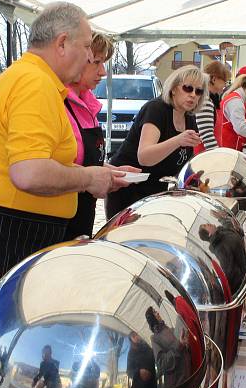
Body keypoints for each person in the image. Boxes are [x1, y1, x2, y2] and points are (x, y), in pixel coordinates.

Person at [0, 2, 129, 329]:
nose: (90, 57)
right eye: (86, 47)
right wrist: (87, 177)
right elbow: (28, 172)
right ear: (61, 43)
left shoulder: (25, 78)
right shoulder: (35, 84)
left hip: (5, 233)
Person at [63, 32, 138, 239]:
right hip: (59, 217)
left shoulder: (88, 104)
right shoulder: (57, 102)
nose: (103, 72)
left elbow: (85, 159)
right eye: (96, 62)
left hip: (83, 214)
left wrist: (113, 171)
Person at [105, 66, 206, 219]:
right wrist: (178, 140)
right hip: (129, 188)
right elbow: (144, 156)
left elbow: (184, 160)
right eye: (188, 88)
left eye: (198, 91)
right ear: (173, 88)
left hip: (156, 190)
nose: (193, 95)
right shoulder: (156, 109)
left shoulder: (189, 118)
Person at [194, 61, 231, 152]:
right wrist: (217, 156)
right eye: (224, 82)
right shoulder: (205, 101)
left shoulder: (213, 100)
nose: (224, 86)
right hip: (204, 157)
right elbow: (206, 135)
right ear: (214, 79)